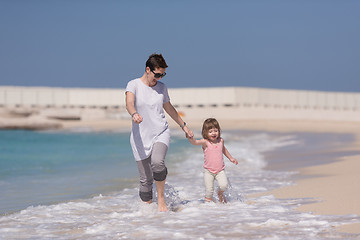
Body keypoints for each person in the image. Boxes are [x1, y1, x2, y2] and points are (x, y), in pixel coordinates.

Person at [125, 53, 193, 212]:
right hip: (140, 137)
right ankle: (147, 212)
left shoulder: (161, 87)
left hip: (160, 131)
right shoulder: (133, 84)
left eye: (163, 74)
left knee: (157, 162)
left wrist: (184, 126)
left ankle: (161, 199)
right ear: (147, 70)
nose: (160, 78)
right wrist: (134, 113)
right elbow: (129, 103)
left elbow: (169, 108)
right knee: (145, 180)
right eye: (157, 74)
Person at [187, 118, 238, 203]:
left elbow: (224, 150)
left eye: (215, 131)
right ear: (205, 133)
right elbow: (195, 142)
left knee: (223, 186)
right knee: (209, 190)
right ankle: (208, 207)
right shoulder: (205, 142)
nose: (213, 133)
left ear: (219, 131)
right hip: (208, 171)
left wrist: (231, 158)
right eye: (210, 131)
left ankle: (220, 193)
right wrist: (190, 138)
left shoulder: (221, 140)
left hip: (220, 170)